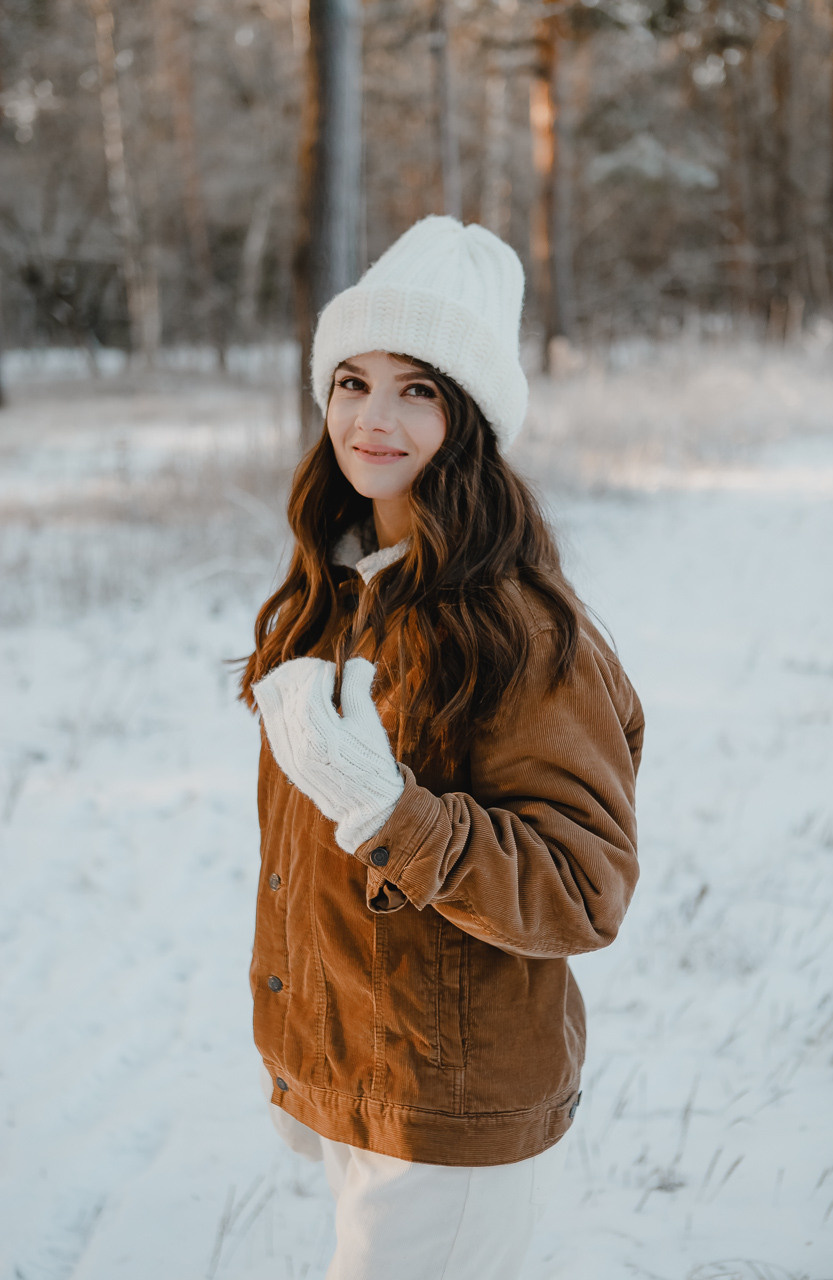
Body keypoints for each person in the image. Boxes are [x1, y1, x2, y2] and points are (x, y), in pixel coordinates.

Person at [237, 215, 644, 1280]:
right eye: (351, 381)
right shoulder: (335, 592)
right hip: (362, 1082)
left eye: (418, 388)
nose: (372, 418)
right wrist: (305, 1053)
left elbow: (582, 887)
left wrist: (389, 809)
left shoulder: (521, 627)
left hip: (446, 1111)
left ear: (471, 418)